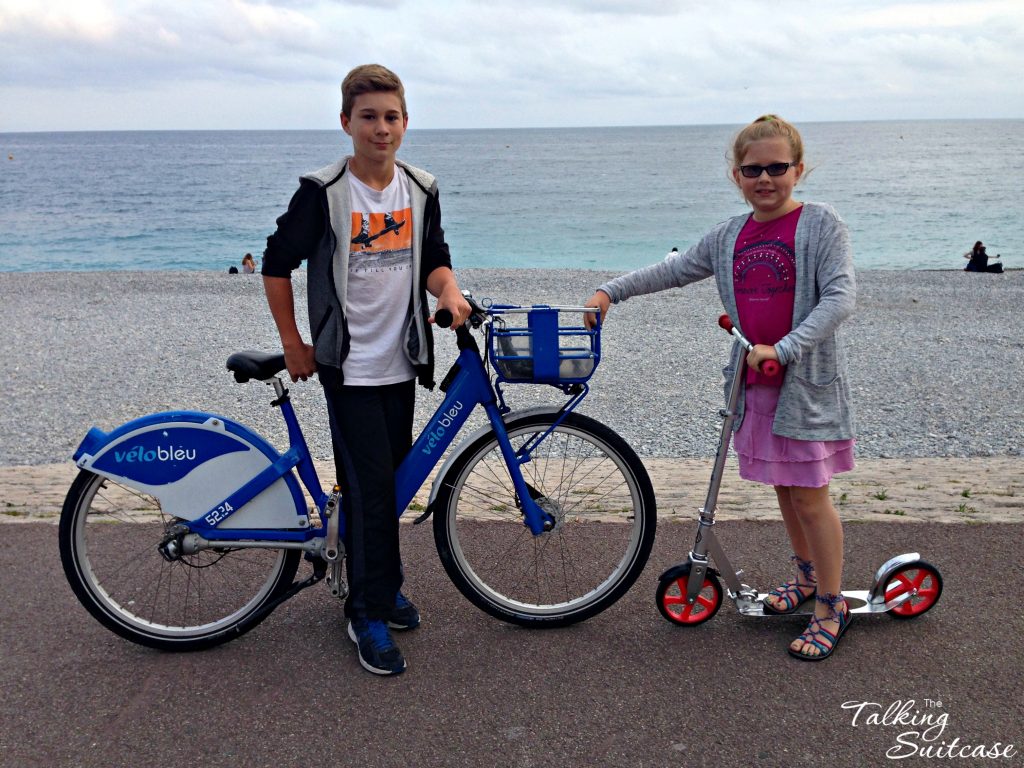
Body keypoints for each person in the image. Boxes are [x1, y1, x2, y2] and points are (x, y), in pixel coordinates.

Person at [584, 114, 857, 661]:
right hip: (754, 385)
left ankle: (831, 603)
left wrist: (783, 349)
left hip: (802, 384)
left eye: (777, 167)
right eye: (753, 169)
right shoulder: (731, 234)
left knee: (810, 494)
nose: (765, 178)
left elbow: (840, 297)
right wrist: (609, 292)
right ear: (736, 175)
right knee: (785, 489)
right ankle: (804, 579)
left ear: (797, 169)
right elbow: (676, 269)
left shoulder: (820, 223)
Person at [261, 63, 471, 676]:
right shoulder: (323, 193)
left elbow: (434, 258)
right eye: (369, 117)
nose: (382, 129)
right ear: (347, 122)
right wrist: (294, 342)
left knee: (387, 487)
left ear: (405, 123)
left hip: (400, 360)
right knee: (373, 489)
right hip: (346, 366)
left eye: (392, 117)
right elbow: (277, 265)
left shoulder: (420, 188)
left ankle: (378, 583)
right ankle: (366, 611)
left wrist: (449, 293)